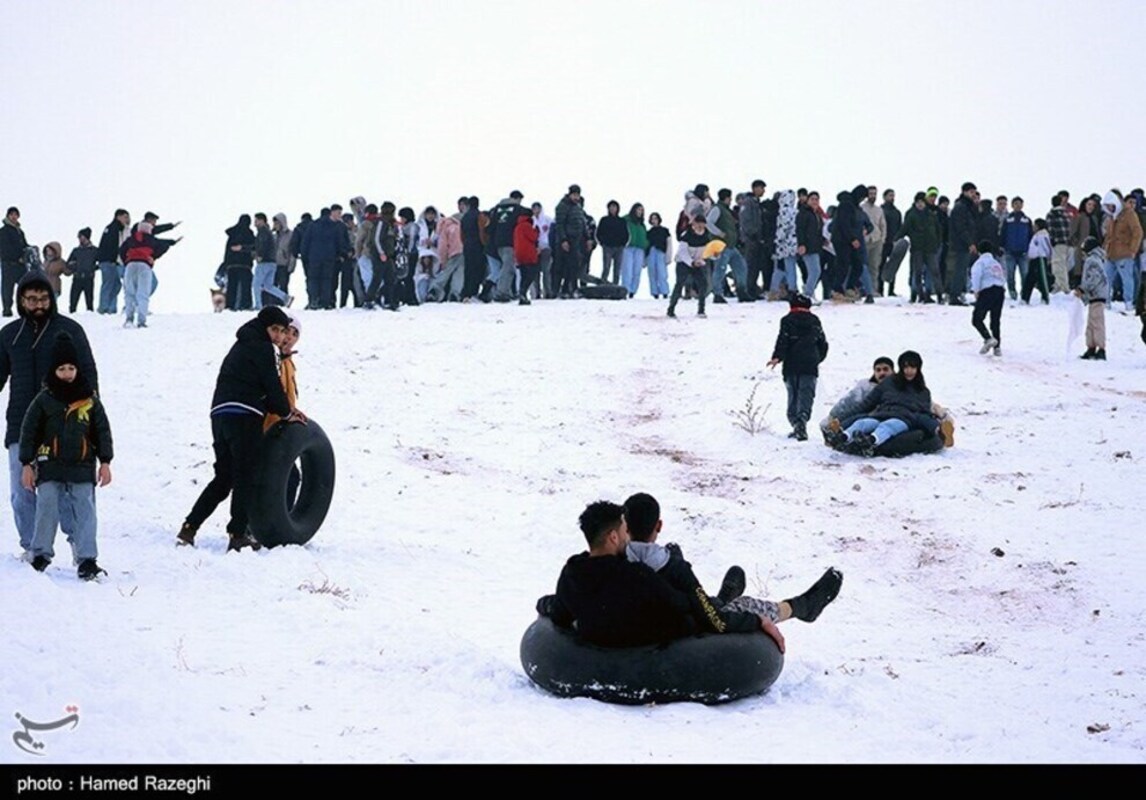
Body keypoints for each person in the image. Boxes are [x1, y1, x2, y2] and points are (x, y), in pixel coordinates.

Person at [538, 500, 842, 651]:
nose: (626, 534)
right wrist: (757, 622)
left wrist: (544, 604)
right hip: (680, 635)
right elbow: (703, 615)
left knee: (705, 597)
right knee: (734, 608)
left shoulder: (572, 574)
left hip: (634, 625)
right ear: (614, 537)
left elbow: (559, 609)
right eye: (622, 529)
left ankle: (723, 596)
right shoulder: (637, 576)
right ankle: (800, 607)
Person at [177, 307, 305, 552]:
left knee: (224, 477)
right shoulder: (265, 348)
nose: (279, 336)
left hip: (220, 414)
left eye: (282, 331)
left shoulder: (242, 344)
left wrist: (280, 407)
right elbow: (271, 385)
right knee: (246, 475)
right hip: (245, 416)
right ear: (265, 327)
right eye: (275, 330)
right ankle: (237, 534)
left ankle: (190, 526)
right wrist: (287, 412)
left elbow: (258, 387)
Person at [0, 272, 98, 557]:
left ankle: (80, 547)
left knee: (70, 491)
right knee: (22, 492)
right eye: (31, 299)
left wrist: (89, 415)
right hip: (20, 424)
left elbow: (88, 373)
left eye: (43, 298)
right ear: (20, 300)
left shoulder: (69, 330)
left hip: (64, 425)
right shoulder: (9, 334)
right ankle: (32, 548)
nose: (38, 304)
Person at [19, 333, 112, 579]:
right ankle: (40, 554)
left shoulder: (90, 400)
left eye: (72, 368)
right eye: (62, 368)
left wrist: (105, 462)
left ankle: (87, 559)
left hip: (82, 466)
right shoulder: (44, 400)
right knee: (47, 507)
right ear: (53, 370)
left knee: (85, 510)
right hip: (49, 465)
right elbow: (29, 433)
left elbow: (102, 431)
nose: (68, 373)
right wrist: (26, 463)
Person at [827, 350, 938, 456]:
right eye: (906, 367)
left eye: (912, 367)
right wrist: (840, 419)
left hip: (903, 420)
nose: (909, 371)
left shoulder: (922, 391)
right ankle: (843, 437)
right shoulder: (889, 383)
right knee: (863, 423)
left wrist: (936, 428)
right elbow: (866, 404)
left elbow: (924, 414)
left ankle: (870, 442)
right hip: (881, 416)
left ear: (918, 368)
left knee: (887, 426)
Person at [766, 293, 829, 441]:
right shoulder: (815, 320)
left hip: (791, 365)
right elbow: (823, 344)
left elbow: (783, 340)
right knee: (806, 393)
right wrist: (816, 359)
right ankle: (802, 420)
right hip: (809, 365)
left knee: (793, 394)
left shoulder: (787, 320)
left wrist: (777, 357)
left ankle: (795, 422)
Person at [119, 222, 175, 328]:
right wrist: (153, 256)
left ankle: (129, 319)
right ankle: (141, 321)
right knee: (143, 294)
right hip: (144, 266)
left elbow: (121, 251)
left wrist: (126, 261)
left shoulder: (130, 239)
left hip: (130, 266)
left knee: (129, 293)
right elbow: (164, 246)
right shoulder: (151, 239)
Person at [667, 215, 712, 318]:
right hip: (683, 263)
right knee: (680, 284)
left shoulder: (707, 237)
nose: (700, 227)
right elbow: (682, 252)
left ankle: (701, 310)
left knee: (703, 284)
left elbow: (707, 252)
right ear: (693, 224)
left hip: (697, 262)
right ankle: (671, 309)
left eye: (702, 224)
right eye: (698, 224)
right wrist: (691, 263)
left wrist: (714, 255)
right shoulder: (686, 236)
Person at [970, 239, 1006, 357]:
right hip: (1000, 291)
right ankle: (997, 347)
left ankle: (988, 338)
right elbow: (1002, 276)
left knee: (977, 318)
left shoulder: (980, 263)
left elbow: (976, 276)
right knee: (995, 320)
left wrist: (976, 291)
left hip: (987, 291)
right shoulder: (996, 263)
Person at [946, 182, 979, 306]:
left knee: (963, 270)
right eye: (971, 192)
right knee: (959, 271)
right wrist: (969, 242)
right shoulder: (960, 207)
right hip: (961, 244)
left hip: (966, 244)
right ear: (964, 192)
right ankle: (954, 296)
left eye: (974, 192)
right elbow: (961, 228)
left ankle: (958, 294)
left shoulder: (969, 206)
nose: (973, 194)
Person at [1076, 237, 1108, 360]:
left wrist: (1083, 289)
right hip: (1095, 295)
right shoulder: (1096, 259)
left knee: (1097, 323)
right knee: (1091, 323)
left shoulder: (1092, 260)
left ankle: (1100, 348)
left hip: (1096, 295)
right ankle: (1091, 346)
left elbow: (1094, 277)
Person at [554, 185, 588, 299]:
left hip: (577, 240)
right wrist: (563, 239)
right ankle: (562, 289)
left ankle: (571, 287)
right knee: (564, 266)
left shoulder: (578, 207)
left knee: (575, 265)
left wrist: (587, 238)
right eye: (574, 195)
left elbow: (583, 223)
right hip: (567, 240)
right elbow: (560, 224)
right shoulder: (562, 206)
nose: (576, 197)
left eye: (577, 195)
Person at [253, 213, 291, 309]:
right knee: (268, 285)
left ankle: (258, 305)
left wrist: (260, 255)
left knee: (256, 284)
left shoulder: (263, 232)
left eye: (256, 220)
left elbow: (263, 244)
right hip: (273, 262)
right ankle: (285, 297)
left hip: (264, 261)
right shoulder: (269, 232)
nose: (255, 223)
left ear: (262, 221)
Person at [1000, 197, 1033, 301]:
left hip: (1023, 252)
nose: (1018, 206)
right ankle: (1012, 292)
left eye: (1020, 204)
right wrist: (1002, 247)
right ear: (1012, 205)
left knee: (1025, 274)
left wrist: (1029, 249)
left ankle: (1024, 293)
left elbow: (1030, 236)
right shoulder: (1008, 220)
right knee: (1010, 274)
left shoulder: (1027, 220)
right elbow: (1003, 234)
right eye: (1016, 204)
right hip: (1010, 252)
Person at [222, 214, 255, 311]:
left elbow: (227, 250)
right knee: (246, 286)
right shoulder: (249, 234)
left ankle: (230, 305)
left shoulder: (232, 234)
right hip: (245, 265)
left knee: (231, 286)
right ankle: (245, 305)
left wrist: (226, 263)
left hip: (231, 264)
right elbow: (253, 247)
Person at [0, 207, 29, 317]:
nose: (14, 216)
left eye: (16, 214)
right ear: (8, 216)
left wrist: (30, 250)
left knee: (25, 287)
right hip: (8, 264)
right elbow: (4, 249)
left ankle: (25, 307)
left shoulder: (20, 232)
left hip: (20, 265)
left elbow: (24, 246)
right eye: (11, 214)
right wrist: (17, 257)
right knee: (7, 289)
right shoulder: (3, 231)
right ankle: (7, 309)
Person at [65, 228, 98, 313]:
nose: (79, 239)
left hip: (89, 278)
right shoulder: (76, 251)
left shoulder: (94, 250)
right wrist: (75, 267)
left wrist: (92, 268)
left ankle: (91, 319)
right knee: (73, 302)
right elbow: (68, 263)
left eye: (81, 236)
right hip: (77, 278)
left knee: (89, 302)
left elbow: (100, 263)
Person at [595, 200, 628, 284]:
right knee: (606, 267)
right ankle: (603, 283)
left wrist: (623, 244)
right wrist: (602, 243)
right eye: (611, 207)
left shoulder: (622, 221)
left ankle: (615, 286)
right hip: (607, 247)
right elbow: (598, 233)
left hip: (619, 248)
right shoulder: (604, 220)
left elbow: (626, 234)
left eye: (614, 207)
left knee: (617, 269)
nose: (613, 209)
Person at [512, 212, 540, 306]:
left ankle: (522, 294)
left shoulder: (517, 227)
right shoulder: (527, 226)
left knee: (523, 275)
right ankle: (523, 292)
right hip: (528, 253)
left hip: (519, 253)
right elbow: (533, 237)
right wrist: (536, 231)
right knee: (531, 273)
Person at [620, 203, 647, 298]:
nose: (640, 212)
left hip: (639, 249)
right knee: (627, 269)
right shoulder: (625, 220)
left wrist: (645, 245)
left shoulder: (642, 225)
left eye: (642, 210)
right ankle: (625, 289)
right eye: (638, 209)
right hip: (628, 247)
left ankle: (633, 290)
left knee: (637, 271)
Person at [645, 212, 671, 299]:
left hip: (661, 252)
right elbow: (646, 245)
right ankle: (654, 292)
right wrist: (644, 259)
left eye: (655, 218)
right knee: (652, 273)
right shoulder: (649, 232)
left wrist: (668, 256)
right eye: (652, 219)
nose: (654, 220)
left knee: (662, 273)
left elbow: (669, 244)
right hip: (651, 253)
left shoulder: (665, 231)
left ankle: (665, 291)